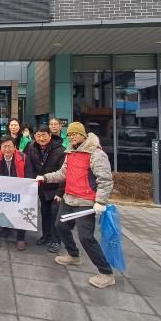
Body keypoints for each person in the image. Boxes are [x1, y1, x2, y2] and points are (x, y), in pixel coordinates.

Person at [36, 122, 115, 289]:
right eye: (70, 134)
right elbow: (62, 174)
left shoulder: (96, 154)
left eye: (75, 134)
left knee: (86, 237)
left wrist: (101, 201)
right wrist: (45, 178)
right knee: (60, 226)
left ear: (83, 135)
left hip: (86, 201)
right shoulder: (70, 153)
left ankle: (106, 272)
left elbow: (105, 180)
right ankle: (73, 255)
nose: (72, 137)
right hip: (69, 198)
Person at [26, 125, 66, 253]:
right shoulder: (32, 147)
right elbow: (29, 166)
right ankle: (46, 236)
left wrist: (60, 192)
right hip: (41, 188)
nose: (41, 138)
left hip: (55, 189)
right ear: (34, 136)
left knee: (55, 215)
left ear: (50, 136)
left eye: (44, 135)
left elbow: (65, 174)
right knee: (44, 213)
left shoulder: (61, 150)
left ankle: (56, 241)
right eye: (38, 135)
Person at [0, 136, 28, 250]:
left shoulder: (23, 157)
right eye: (4, 146)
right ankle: (6, 229)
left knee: (21, 213)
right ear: (0, 147)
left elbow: (29, 175)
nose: (7, 149)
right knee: (4, 210)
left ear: (15, 147)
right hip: (3, 191)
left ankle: (21, 238)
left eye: (9, 146)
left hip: (20, 190)